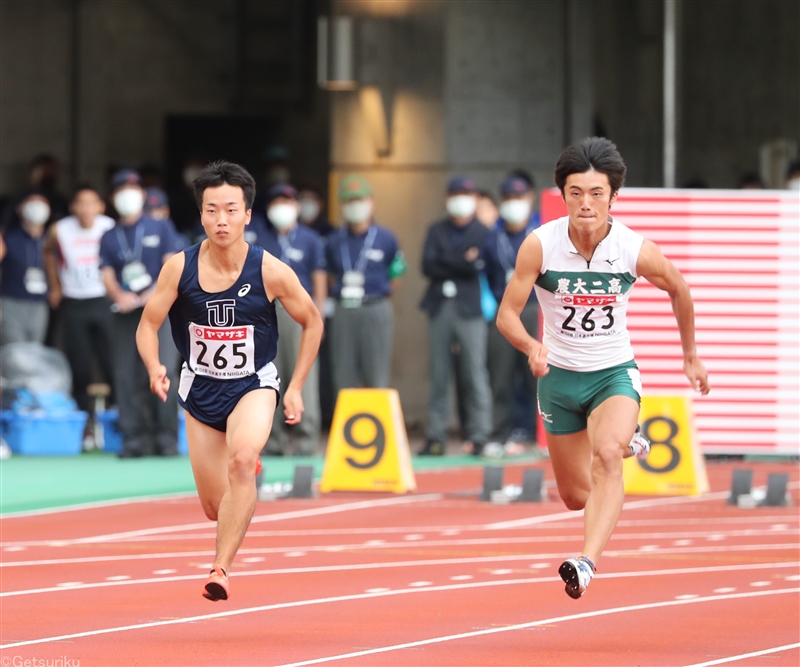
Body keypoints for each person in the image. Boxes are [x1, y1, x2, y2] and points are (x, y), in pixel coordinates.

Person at [497, 137, 710, 599]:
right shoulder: (540, 246)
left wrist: (689, 355)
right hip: (557, 378)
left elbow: (679, 289)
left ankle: (586, 562)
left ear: (614, 197)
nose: (586, 204)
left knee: (606, 455)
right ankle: (630, 443)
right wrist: (532, 346)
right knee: (575, 496)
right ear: (563, 195)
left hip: (613, 373)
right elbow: (507, 314)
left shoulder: (633, 249)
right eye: (576, 193)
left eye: (597, 194)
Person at [136, 161, 323, 601]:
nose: (221, 220)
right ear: (201, 215)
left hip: (253, 384)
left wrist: (294, 386)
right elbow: (147, 325)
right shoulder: (177, 268)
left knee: (241, 460)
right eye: (212, 210)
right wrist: (153, 366)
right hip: (200, 389)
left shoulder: (271, 270)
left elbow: (312, 322)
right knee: (212, 507)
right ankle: (243, 475)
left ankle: (220, 569)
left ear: (246, 215)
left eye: (230, 210)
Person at [99, 169, 185, 457]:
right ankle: (135, 437)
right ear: (114, 198)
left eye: (133, 189)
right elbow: (107, 272)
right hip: (125, 313)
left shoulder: (160, 227)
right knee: (126, 375)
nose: (128, 195)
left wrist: (155, 292)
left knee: (163, 369)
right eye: (121, 190)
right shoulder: (110, 235)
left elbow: (170, 263)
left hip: (158, 310)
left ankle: (166, 437)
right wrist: (119, 295)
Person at [419, 176, 492, 456]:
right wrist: (464, 260)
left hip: (470, 307)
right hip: (439, 306)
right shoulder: (436, 229)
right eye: (456, 193)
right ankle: (435, 437)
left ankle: (480, 435)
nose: (460, 199)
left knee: (475, 372)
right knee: (438, 374)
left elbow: (482, 267)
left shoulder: (484, 232)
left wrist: (448, 259)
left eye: (466, 193)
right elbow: (427, 265)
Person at [259, 184, 327, 456]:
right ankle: (272, 438)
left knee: (304, 374)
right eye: (277, 202)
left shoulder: (310, 239)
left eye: (287, 201)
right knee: (268, 375)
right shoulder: (260, 238)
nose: (282, 207)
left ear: (296, 207)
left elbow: (319, 277)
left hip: (300, 309)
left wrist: (318, 315)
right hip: (267, 312)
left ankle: (306, 437)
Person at [326, 174, 407, 394]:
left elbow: (397, 271)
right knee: (343, 372)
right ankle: (344, 425)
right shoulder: (334, 240)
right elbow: (329, 274)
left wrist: (383, 292)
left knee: (376, 372)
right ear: (342, 205)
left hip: (375, 306)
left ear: (371, 202)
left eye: (360, 200)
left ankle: (377, 424)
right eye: (350, 201)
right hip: (344, 308)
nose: (355, 206)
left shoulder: (386, 237)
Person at [43, 185, 115, 417]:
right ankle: (83, 421)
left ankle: (116, 414)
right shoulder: (60, 229)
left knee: (111, 359)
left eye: (91, 203)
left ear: (100, 206)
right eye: (80, 203)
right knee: (79, 364)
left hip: (104, 300)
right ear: (73, 207)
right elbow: (47, 252)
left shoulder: (110, 227)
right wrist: (55, 285)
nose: (86, 209)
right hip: (74, 302)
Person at [483, 175, 541, 457]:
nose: (514, 205)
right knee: (501, 375)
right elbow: (486, 278)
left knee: (539, 374)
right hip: (504, 311)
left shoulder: (540, 234)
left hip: (535, 309)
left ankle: (543, 434)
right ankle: (500, 433)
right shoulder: (493, 240)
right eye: (509, 200)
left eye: (519, 199)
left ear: (529, 200)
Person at [0, 191, 51, 345]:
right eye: (32, 202)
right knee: (15, 352)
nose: (37, 207)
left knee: (35, 351)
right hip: (12, 302)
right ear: (20, 208)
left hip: (40, 304)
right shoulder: (8, 239)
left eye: (41, 202)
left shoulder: (51, 239)